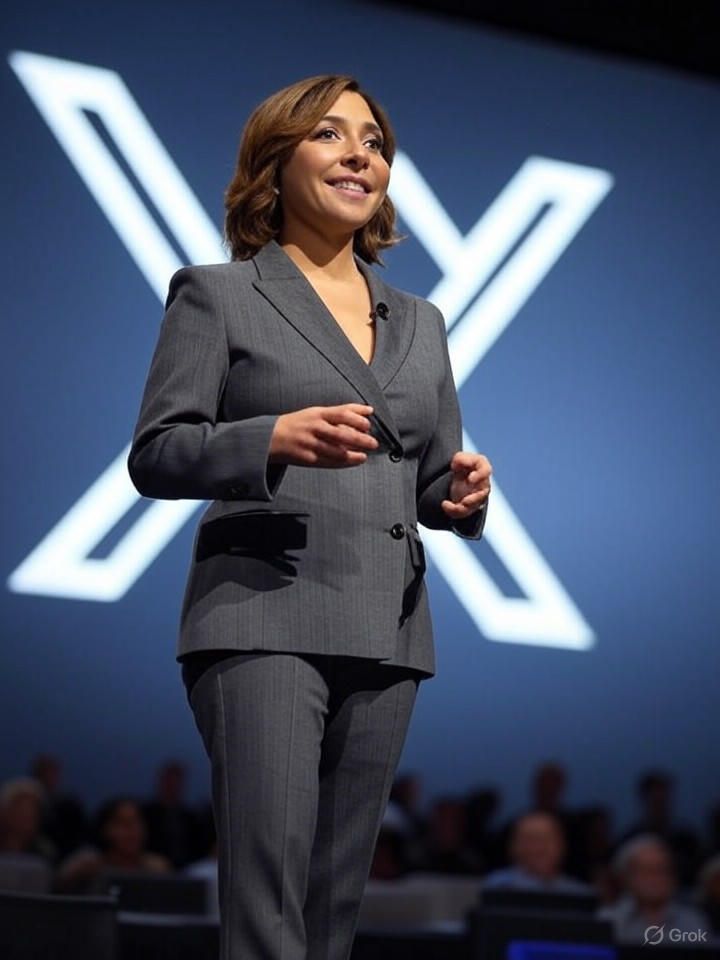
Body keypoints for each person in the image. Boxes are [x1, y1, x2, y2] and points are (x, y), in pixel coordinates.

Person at [127, 73, 492, 960]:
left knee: (333, 914)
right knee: (269, 902)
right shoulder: (220, 293)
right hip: (264, 613)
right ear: (275, 163)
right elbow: (159, 452)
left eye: (373, 143)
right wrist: (269, 436)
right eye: (331, 136)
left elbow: (425, 475)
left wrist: (462, 498)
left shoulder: (423, 320)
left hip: (390, 627)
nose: (358, 155)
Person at [482, 811, 592, 894]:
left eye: (547, 839)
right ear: (513, 847)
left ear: (561, 846)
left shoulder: (580, 893)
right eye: (530, 839)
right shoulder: (497, 888)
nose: (539, 847)